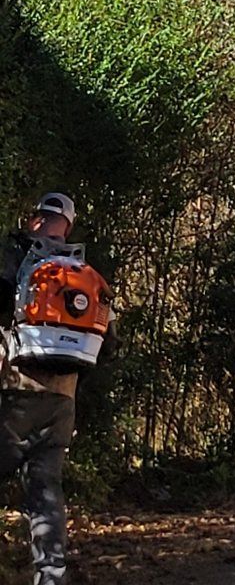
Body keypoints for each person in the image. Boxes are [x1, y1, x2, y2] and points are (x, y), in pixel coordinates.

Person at [0, 194, 106, 585]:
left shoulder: (21, 260)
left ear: (35, 220)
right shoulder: (83, 271)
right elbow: (107, 342)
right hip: (64, 399)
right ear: (69, 225)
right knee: (45, 492)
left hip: (19, 390)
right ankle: (51, 577)